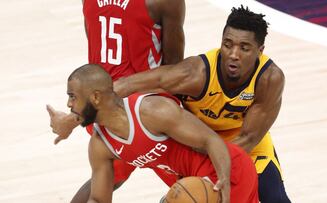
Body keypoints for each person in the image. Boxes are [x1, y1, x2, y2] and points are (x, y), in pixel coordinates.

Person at [114, 6, 291, 203]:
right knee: (114, 175)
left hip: (244, 145)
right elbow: (135, 83)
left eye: (244, 48)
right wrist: (86, 105)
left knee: (276, 199)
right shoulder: (196, 74)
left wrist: (213, 159)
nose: (233, 54)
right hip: (197, 145)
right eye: (227, 44)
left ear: (260, 51)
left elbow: (248, 139)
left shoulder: (269, 79)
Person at [46, 0, 185, 202]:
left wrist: (75, 117)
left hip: (100, 110)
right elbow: (175, 71)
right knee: (202, 182)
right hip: (147, 111)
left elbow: (95, 65)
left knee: (107, 179)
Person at [66, 64, 259, 203]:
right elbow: (99, 199)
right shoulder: (100, 145)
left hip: (226, 170)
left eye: (72, 97)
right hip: (191, 182)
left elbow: (211, 140)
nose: (69, 105)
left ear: (96, 97)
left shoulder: (152, 111)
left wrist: (224, 179)